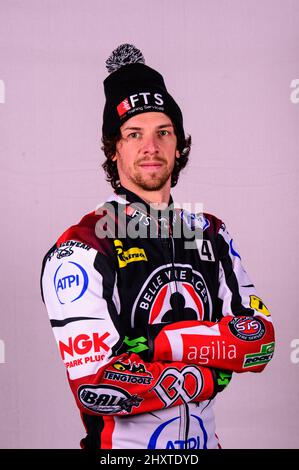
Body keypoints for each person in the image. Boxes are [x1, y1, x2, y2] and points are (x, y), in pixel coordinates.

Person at [40, 44, 275, 449]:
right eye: (134, 134)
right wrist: (209, 366)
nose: (151, 147)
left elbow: (260, 341)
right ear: (114, 149)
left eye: (163, 132)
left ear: (178, 145)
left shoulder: (212, 234)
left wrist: (155, 345)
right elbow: (98, 386)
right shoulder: (81, 247)